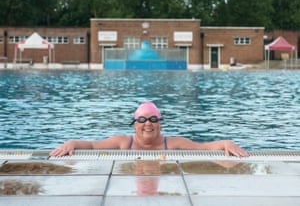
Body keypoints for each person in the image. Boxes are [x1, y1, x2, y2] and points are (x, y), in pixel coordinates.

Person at [49, 101, 249, 157]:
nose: (148, 123)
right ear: (135, 124)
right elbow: (92, 146)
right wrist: (71, 143)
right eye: (143, 119)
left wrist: (225, 143)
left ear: (160, 123)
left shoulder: (171, 143)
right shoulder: (123, 142)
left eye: (153, 118)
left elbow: (204, 147)